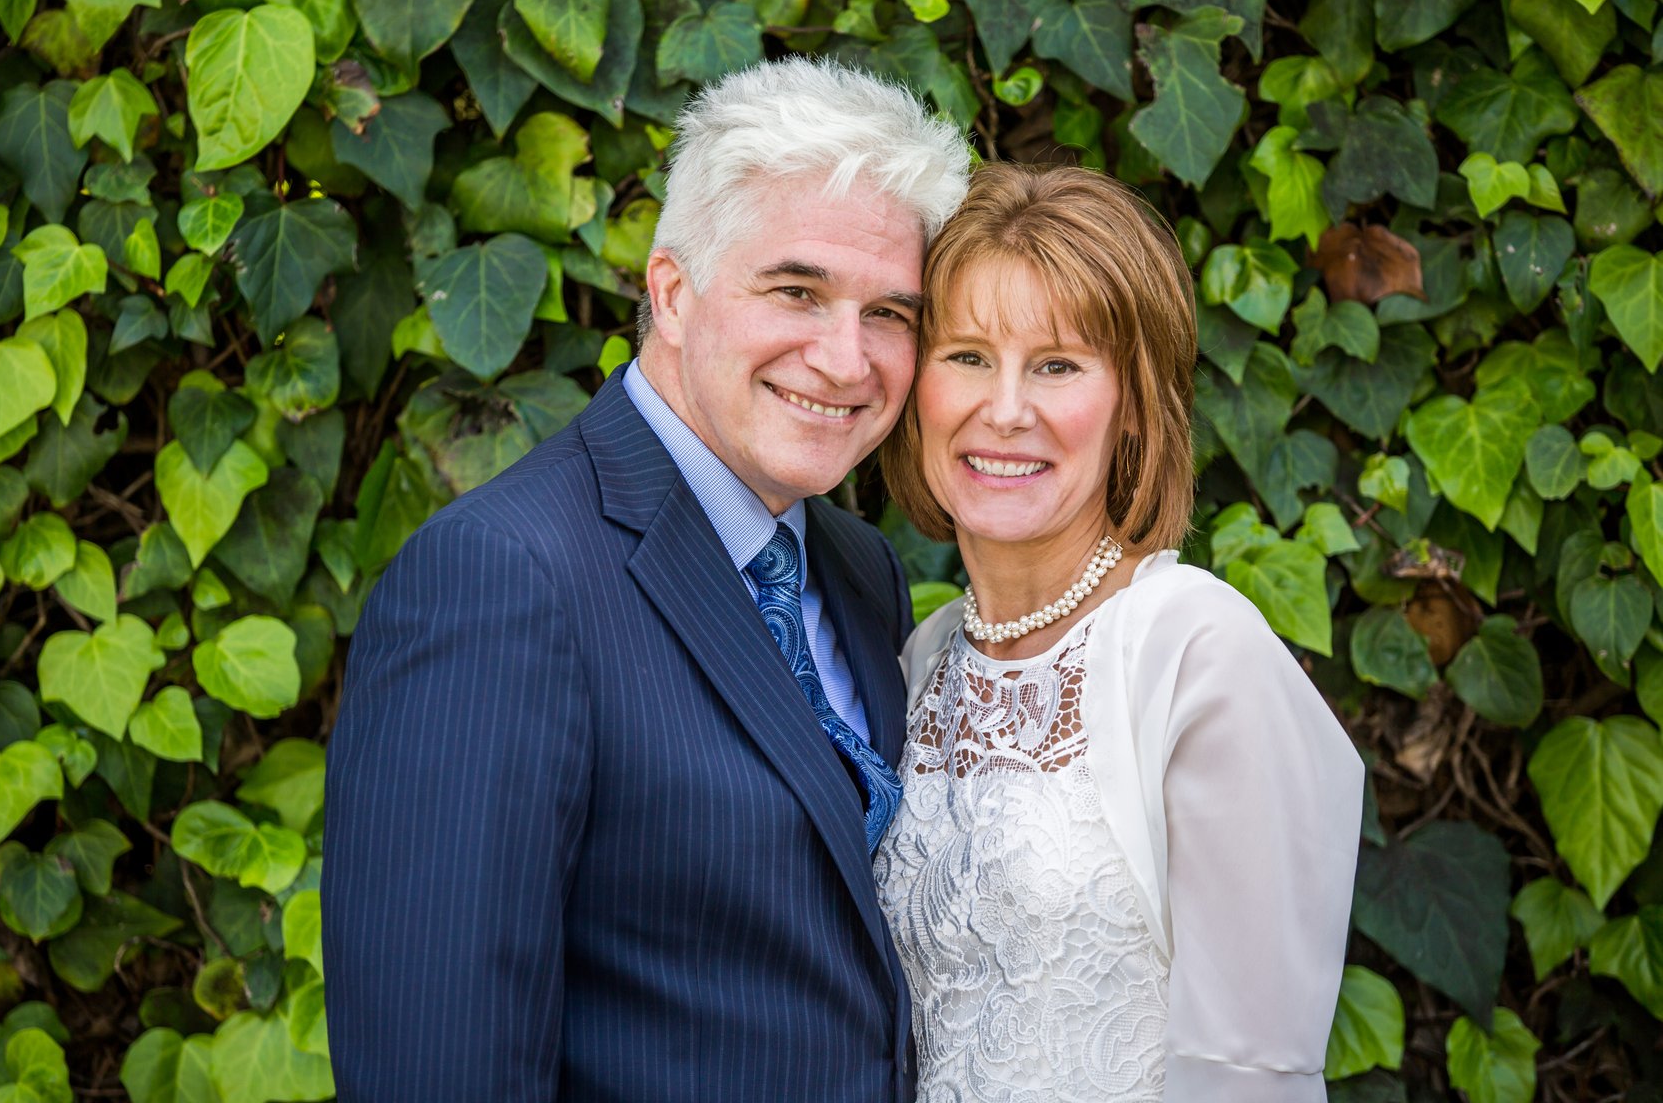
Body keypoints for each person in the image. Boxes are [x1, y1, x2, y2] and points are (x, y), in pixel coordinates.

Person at [322, 58, 970, 1101]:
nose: (847, 360)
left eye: (890, 312)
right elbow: (438, 1064)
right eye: (797, 291)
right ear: (672, 292)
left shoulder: (860, 571)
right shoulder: (501, 579)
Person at [874, 162, 1363, 1102]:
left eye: (1057, 365)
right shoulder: (919, 662)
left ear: (1133, 402)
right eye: (967, 355)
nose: (1004, 409)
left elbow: (1250, 1075)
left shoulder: (1198, 653)